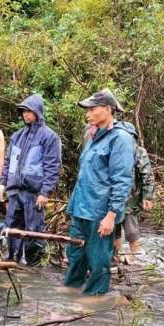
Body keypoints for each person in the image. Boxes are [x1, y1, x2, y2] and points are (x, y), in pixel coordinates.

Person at [63, 89, 134, 295]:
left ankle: (94, 304)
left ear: (108, 109)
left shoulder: (120, 139)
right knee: (75, 256)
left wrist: (111, 215)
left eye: (92, 109)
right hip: (81, 209)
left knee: (98, 260)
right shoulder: (92, 136)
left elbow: (122, 180)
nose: (88, 113)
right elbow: (85, 175)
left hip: (100, 213)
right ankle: (69, 296)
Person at [0, 94, 62, 265]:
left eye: (28, 111)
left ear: (38, 112)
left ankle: (34, 265)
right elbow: (9, 162)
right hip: (15, 190)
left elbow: (52, 167)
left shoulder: (49, 137)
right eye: (23, 111)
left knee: (34, 229)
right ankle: (12, 259)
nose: (25, 114)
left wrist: (45, 192)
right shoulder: (17, 136)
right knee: (11, 226)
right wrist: (2, 184)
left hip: (34, 192)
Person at [114, 129, 155, 264]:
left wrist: (147, 196)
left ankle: (137, 259)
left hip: (130, 198)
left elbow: (147, 174)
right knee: (115, 231)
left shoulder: (138, 151)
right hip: (114, 197)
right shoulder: (113, 148)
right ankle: (117, 259)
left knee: (131, 231)